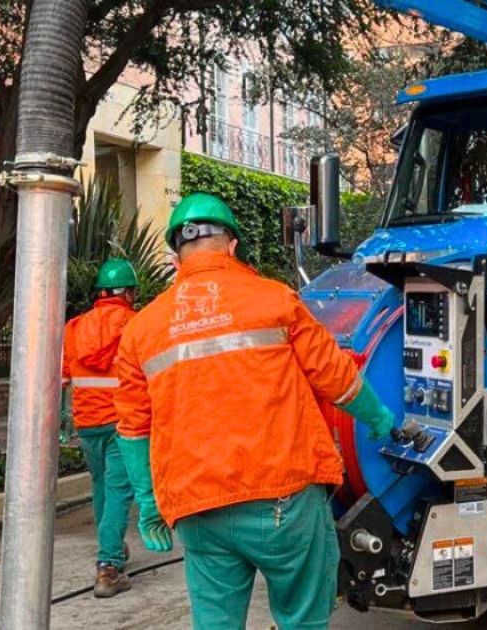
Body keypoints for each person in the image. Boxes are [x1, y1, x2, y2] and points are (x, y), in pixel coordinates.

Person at [113, 193, 396, 629]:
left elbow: (133, 428)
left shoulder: (141, 329)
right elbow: (336, 377)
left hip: (198, 507)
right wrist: (380, 420)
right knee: (302, 617)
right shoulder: (275, 300)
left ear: (177, 253)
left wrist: (150, 502)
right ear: (232, 245)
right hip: (283, 501)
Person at [61, 257, 140, 598]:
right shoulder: (136, 325)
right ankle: (108, 566)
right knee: (120, 491)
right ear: (128, 293)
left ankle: (112, 545)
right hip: (121, 421)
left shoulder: (75, 328)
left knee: (101, 486)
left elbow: (64, 378)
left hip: (88, 422)